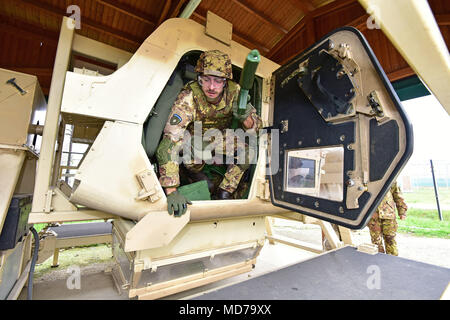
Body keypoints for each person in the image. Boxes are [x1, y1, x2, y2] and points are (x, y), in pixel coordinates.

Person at [156, 50, 262, 216]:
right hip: (194, 137)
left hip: (219, 135)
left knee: (249, 151)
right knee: (195, 153)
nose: (212, 87)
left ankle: (225, 191)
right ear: (199, 78)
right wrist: (171, 190)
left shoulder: (235, 92)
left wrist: (245, 117)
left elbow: (257, 128)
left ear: (226, 81)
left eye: (218, 81)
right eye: (206, 79)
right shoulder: (189, 97)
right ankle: (191, 172)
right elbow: (170, 141)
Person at [368, 181, 407, 256]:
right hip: (373, 215)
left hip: (388, 214)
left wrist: (402, 211)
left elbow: (397, 194)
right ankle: (379, 261)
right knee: (376, 242)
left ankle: (392, 261)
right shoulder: (368, 177)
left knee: (390, 240)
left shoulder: (389, 175)